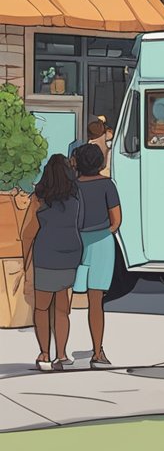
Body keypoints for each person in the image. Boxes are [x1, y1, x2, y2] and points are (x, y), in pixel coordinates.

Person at [19, 155, 82, 371]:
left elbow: (28, 233)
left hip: (46, 254)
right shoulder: (75, 196)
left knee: (42, 307)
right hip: (70, 254)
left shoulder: (40, 198)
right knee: (62, 308)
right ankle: (62, 354)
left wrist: (25, 259)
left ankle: (45, 354)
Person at [72, 144, 121, 367]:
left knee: (63, 298)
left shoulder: (72, 187)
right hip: (102, 243)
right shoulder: (107, 185)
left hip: (75, 242)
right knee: (96, 301)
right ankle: (98, 352)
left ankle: (58, 351)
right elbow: (116, 220)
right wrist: (103, 232)